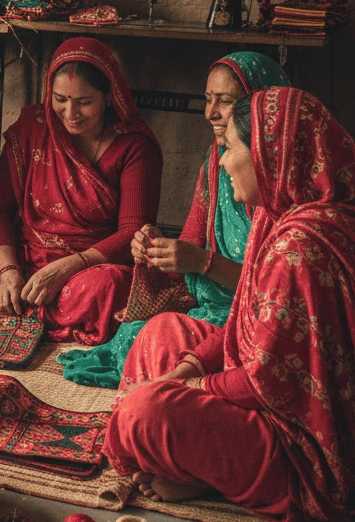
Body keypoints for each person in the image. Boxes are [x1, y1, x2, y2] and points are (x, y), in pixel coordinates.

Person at [103, 87, 355, 519]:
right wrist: (185, 370)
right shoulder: (275, 215)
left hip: (295, 439)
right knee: (163, 332)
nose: (221, 161)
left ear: (268, 154)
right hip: (260, 386)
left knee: (143, 412)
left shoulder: (298, 250)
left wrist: (184, 387)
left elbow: (266, 383)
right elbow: (242, 322)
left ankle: (199, 474)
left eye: (231, 148)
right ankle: (190, 466)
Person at [59, 51, 290, 387]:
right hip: (210, 306)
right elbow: (189, 247)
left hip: (259, 320)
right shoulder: (217, 160)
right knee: (138, 330)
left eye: (224, 101)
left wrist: (203, 262)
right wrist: (156, 248)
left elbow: (277, 294)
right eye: (208, 99)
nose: (210, 112)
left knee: (162, 337)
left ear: (259, 106)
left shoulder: (282, 179)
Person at [0, 37, 162, 345]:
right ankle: (32, 306)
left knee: (108, 288)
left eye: (84, 102)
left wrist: (66, 268)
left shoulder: (135, 146)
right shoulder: (33, 126)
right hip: (26, 254)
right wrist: (8, 271)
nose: (70, 112)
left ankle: (15, 310)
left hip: (88, 266)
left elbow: (133, 234)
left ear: (109, 97)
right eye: (60, 98)